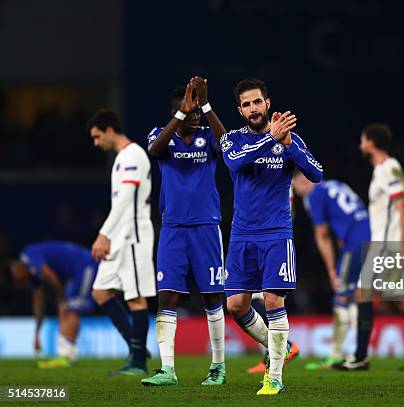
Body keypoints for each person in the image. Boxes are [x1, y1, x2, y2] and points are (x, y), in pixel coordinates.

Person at [221, 78, 323, 395]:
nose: (252, 108)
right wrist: (271, 140)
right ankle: (282, 345)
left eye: (257, 102)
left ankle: (274, 376)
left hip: (277, 233)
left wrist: (289, 144)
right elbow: (236, 162)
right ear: (239, 110)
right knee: (235, 305)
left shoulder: (289, 139)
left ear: (267, 103)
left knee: (272, 300)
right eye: (246, 104)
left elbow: (317, 174)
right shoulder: (231, 140)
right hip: (241, 234)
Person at [141, 77, 228, 386]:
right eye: (186, 112)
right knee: (167, 296)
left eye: (195, 113)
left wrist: (206, 105)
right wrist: (181, 114)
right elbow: (153, 150)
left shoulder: (209, 134)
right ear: (174, 111)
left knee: (212, 296)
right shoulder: (161, 135)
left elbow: (229, 146)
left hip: (206, 226)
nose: (192, 117)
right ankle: (168, 370)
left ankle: (218, 366)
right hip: (173, 229)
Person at [335, 123, 404, 371]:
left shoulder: (389, 168)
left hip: (390, 245)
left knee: (391, 297)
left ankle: (366, 357)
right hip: (381, 243)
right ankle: (364, 357)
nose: (360, 145)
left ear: (370, 142)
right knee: (378, 295)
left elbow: (403, 207)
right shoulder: (382, 170)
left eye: (362, 140)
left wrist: (403, 249)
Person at [88, 109, 156, 375]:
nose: (96, 143)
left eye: (97, 136)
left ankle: (138, 361)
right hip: (119, 236)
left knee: (135, 298)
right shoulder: (121, 158)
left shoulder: (133, 155)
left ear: (110, 130)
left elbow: (127, 198)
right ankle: (136, 347)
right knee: (100, 292)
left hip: (134, 235)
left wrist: (103, 234)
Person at [293, 174, 368, 369]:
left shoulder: (314, 194)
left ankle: (338, 354)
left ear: (303, 181)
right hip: (369, 236)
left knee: (341, 297)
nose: (298, 194)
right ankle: (358, 353)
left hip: (355, 242)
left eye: (296, 188)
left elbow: (322, 234)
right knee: (353, 296)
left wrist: (331, 270)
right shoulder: (336, 184)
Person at [10, 241, 98, 368]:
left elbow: (49, 274)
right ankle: (66, 356)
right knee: (65, 307)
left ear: (19, 268)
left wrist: (61, 297)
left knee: (70, 308)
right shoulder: (32, 274)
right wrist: (37, 334)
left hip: (85, 264)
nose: (24, 283)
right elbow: (38, 303)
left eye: (21, 280)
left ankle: (67, 356)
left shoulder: (28, 254)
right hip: (76, 272)